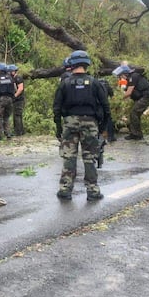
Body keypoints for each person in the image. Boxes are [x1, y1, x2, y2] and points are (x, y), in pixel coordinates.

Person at [53, 50, 111, 201]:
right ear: (87, 64)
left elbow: (57, 107)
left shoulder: (64, 83)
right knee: (90, 157)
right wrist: (103, 127)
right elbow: (106, 107)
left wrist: (59, 127)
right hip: (90, 123)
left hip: (69, 123)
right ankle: (93, 191)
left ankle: (65, 190)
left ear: (71, 64)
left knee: (69, 157)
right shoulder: (95, 83)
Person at [116, 64, 149, 140]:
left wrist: (118, 99)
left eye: (120, 76)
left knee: (134, 112)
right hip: (142, 97)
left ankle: (136, 134)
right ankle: (136, 133)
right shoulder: (130, 78)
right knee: (135, 113)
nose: (120, 78)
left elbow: (129, 92)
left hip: (146, 96)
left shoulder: (133, 77)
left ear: (124, 74)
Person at [9, 64, 26, 136]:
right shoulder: (12, 78)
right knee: (17, 115)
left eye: (10, 71)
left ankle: (18, 132)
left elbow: (20, 88)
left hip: (19, 100)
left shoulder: (18, 78)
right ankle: (20, 131)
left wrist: (14, 96)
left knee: (17, 115)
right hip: (16, 100)